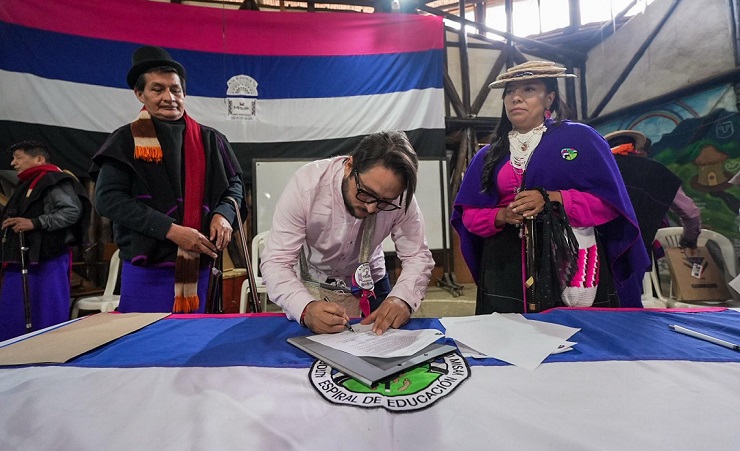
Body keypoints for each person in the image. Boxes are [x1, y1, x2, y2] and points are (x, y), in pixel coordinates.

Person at [451, 61, 649, 314]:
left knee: (575, 331)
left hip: (571, 259)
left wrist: (553, 198)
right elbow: (468, 215)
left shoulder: (580, 139)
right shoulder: (488, 155)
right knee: (507, 333)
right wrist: (501, 215)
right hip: (505, 266)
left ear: (549, 98)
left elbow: (610, 205)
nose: (516, 98)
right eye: (510, 92)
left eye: (529, 89)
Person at [91, 46, 244, 314]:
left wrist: (223, 214)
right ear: (140, 94)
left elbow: (235, 186)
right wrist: (172, 231)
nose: (169, 97)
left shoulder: (211, 139)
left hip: (201, 267)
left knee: (197, 337)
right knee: (146, 337)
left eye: (175, 90)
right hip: (147, 271)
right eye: (157, 89)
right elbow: (108, 199)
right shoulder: (124, 140)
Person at [260, 130, 434, 335]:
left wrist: (403, 299)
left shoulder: (401, 199)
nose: (371, 208)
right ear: (350, 165)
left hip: (370, 282)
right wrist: (305, 308)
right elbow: (276, 261)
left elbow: (417, 255)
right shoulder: (307, 186)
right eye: (366, 193)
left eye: (385, 202)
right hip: (313, 283)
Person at [0, 140, 89, 341]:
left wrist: (35, 222)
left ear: (39, 159)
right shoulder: (27, 183)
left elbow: (71, 212)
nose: (13, 163)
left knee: (46, 311)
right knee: (14, 313)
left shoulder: (54, 180)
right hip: (22, 258)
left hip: (46, 261)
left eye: (18, 158)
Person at [605, 129, 701, 258]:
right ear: (636, 148)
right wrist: (688, 241)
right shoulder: (659, 171)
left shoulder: (598, 174)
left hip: (603, 257)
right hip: (644, 255)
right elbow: (691, 213)